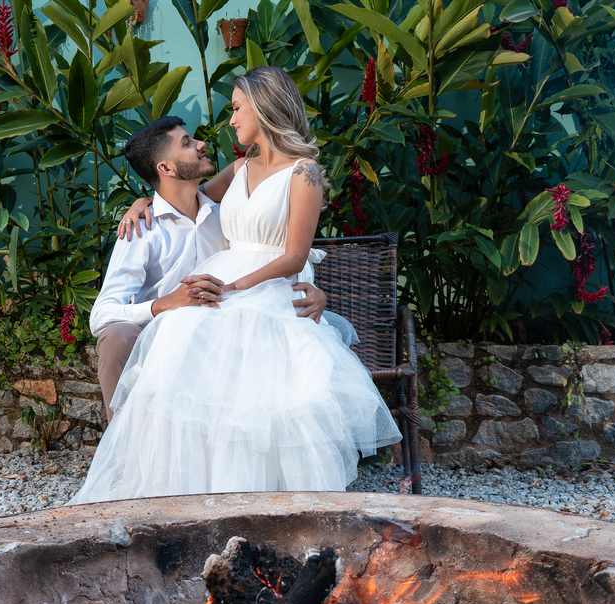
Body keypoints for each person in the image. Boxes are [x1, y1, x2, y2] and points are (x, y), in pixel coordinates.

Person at [70, 66, 400, 504]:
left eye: (237, 108)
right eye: (189, 141)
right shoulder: (238, 169)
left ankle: (262, 497)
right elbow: (183, 191)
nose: (228, 121)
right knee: (188, 352)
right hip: (220, 291)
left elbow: (294, 254)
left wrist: (245, 285)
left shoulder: (306, 173)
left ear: (263, 109)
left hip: (259, 290)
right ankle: (173, 486)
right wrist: (142, 199)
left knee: (262, 389)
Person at [90, 115, 332, 420]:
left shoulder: (227, 216)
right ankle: (124, 451)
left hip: (221, 328)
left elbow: (271, 255)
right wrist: (166, 304)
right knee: (115, 337)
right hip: (162, 333)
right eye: (188, 144)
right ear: (165, 168)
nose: (202, 145)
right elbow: (100, 314)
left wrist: (313, 290)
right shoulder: (141, 229)